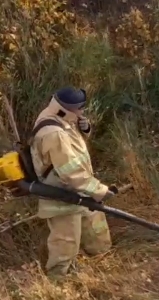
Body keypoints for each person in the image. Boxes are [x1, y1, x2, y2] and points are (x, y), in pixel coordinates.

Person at [30, 86, 118, 281]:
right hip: (62, 195)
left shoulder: (62, 118)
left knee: (97, 233)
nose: (83, 112)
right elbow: (71, 172)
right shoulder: (54, 133)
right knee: (65, 243)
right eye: (80, 108)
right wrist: (99, 190)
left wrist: (84, 128)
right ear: (68, 109)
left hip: (80, 191)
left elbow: (74, 147)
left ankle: (101, 267)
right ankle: (58, 283)